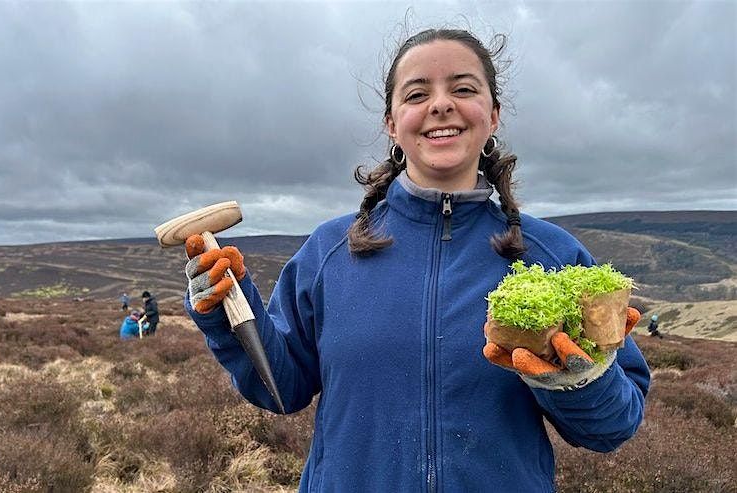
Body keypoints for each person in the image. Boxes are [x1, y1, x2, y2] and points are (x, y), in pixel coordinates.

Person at [181, 28, 650, 491]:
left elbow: (611, 427)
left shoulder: (555, 259)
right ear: (392, 122)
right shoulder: (329, 252)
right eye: (417, 93)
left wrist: (583, 379)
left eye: (463, 89)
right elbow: (279, 389)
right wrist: (226, 308)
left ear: (494, 115)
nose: (441, 104)